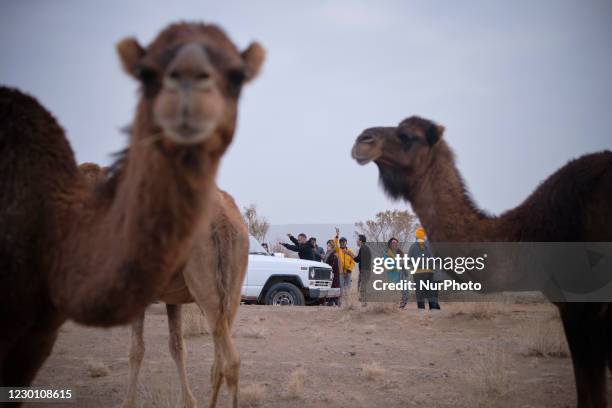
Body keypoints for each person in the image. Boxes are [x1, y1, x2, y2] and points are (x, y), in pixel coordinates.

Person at [409, 226, 440, 313]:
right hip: (429, 273)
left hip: (417, 274)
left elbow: (409, 261)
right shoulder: (428, 246)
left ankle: (421, 312)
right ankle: (432, 311)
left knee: (419, 293)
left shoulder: (412, 247)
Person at [334, 227, 356, 305]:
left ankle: (348, 302)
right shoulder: (338, 250)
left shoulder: (349, 251)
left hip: (348, 272)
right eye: (341, 242)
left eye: (344, 242)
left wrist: (349, 269)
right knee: (341, 287)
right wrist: (337, 235)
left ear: (346, 243)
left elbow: (353, 261)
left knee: (348, 287)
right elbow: (335, 243)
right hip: (341, 272)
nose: (342, 243)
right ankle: (340, 303)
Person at [386, 237, 409, 308]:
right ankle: (393, 305)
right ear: (390, 244)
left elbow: (405, 261)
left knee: (405, 289)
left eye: (396, 243)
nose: (395, 244)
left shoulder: (400, 252)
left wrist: (405, 271)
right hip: (392, 274)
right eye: (393, 243)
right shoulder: (387, 253)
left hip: (401, 273)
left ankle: (402, 304)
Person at [352, 234, 372, 306]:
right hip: (365, 271)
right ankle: (363, 301)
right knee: (361, 286)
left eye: (357, 240)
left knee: (362, 286)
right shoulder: (365, 248)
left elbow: (357, 259)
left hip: (365, 271)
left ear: (361, 241)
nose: (356, 241)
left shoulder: (363, 248)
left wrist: (350, 254)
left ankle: (364, 303)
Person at [323, 239, 340, 306]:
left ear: (332, 246)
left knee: (334, 286)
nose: (327, 247)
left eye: (329, 245)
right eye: (327, 245)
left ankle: (335, 301)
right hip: (329, 273)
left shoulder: (334, 254)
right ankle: (331, 301)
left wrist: (331, 272)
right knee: (330, 286)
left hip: (334, 273)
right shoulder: (328, 253)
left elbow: (333, 264)